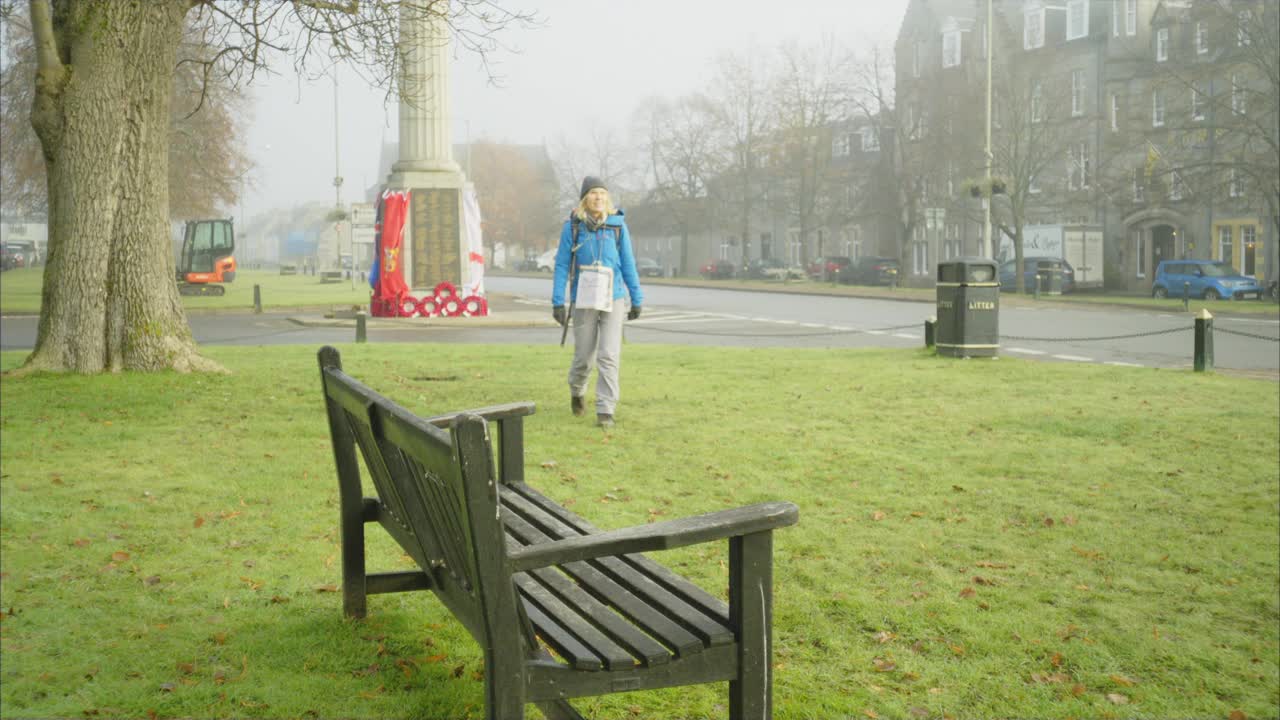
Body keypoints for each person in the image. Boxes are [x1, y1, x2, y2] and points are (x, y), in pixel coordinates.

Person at [552, 176, 643, 429]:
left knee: (609, 355)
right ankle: (577, 389)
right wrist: (558, 302)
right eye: (593, 193)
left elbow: (628, 264)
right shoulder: (572, 227)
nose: (599, 198)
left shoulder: (618, 227)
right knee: (584, 357)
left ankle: (606, 409)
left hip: (613, 297)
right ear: (585, 199)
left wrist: (636, 299)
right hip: (584, 298)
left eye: (603, 193)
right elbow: (561, 265)